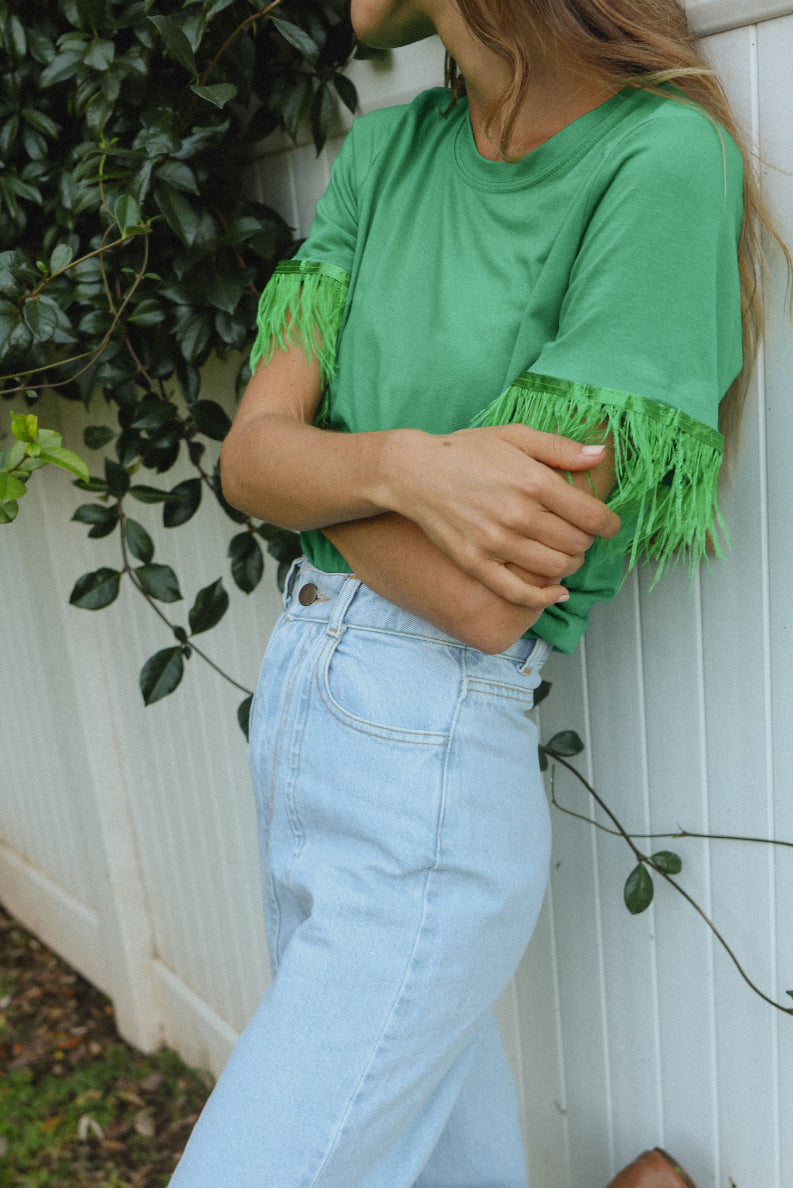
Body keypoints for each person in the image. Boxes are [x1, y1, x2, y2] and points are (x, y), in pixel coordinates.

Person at [170, 2, 787, 1185]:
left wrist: (323, 476)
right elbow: (247, 461)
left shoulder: (655, 161)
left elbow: (486, 596)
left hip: (428, 760)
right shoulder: (390, 151)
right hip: (306, 714)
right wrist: (412, 466)